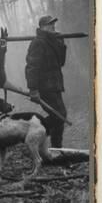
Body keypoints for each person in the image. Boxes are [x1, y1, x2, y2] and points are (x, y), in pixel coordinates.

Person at [25, 15, 67, 148]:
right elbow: (31, 67)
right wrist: (33, 89)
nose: (53, 26)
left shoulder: (52, 41)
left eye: (53, 23)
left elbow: (61, 62)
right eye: (49, 24)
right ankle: (34, 134)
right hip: (44, 87)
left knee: (60, 116)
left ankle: (55, 149)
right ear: (42, 27)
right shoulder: (38, 42)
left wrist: (61, 43)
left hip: (55, 86)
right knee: (59, 116)